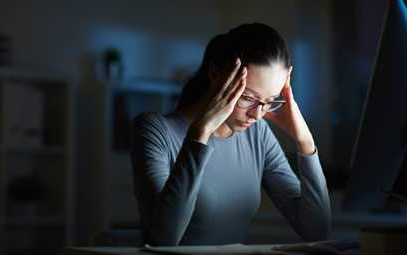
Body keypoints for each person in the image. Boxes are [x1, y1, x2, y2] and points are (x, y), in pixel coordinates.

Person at [131, 23, 331, 246]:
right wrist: (200, 134)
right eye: (248, 98)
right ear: (216, 74)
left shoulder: (258, 134)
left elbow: (316, 231)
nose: (257, 114)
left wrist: (305, 141)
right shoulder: (155, 130)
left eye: (269, 101)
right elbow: (162, 239)